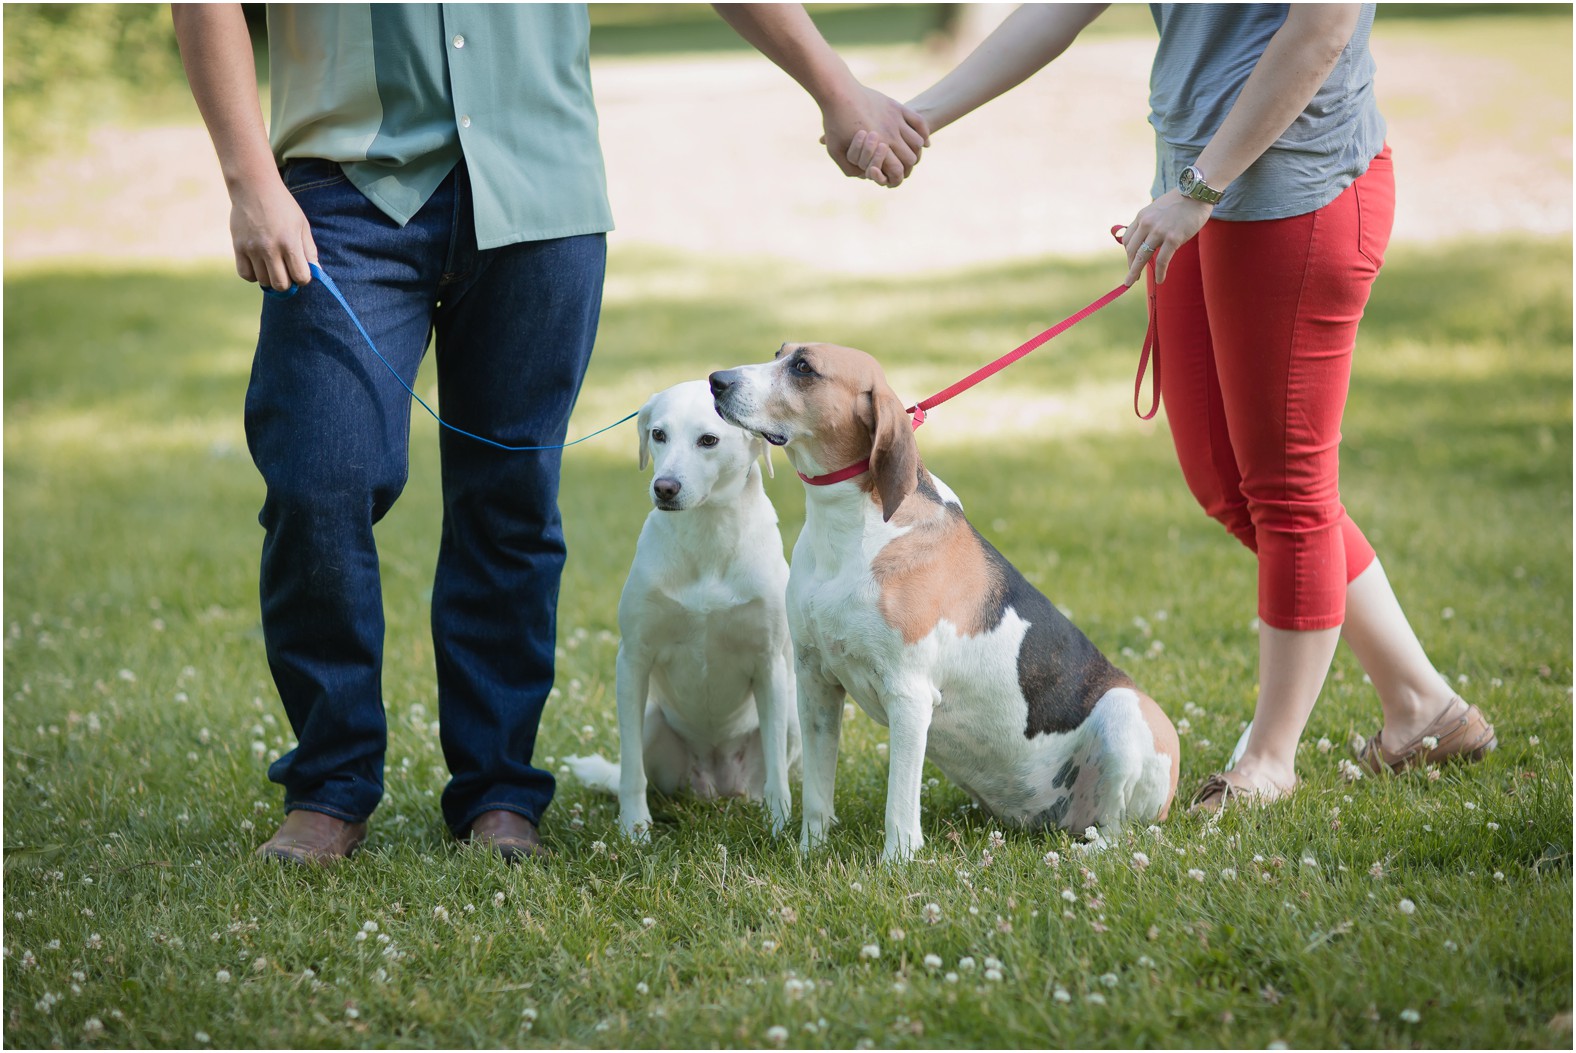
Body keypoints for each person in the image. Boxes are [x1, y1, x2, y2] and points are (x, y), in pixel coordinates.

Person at [172, 2, 928, 864]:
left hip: (539, 189)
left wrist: (834, 87)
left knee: (510, 497)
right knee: (319, 479)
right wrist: (247, 178)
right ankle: (330, 785)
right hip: (342, 190)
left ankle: (498, 791)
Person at [846, 3, 1495, 810]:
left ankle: (1269, 757)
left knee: (1290, 491)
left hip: (1293, 188)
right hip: (1196, 192)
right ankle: (1422, 706)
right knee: (1226, 482)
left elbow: (1322, 27)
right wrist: (920, 117)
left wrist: (1201, 184)